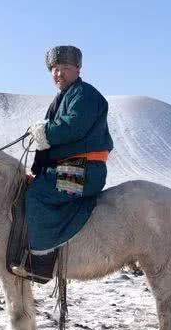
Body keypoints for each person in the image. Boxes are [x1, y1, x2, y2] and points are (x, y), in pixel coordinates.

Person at [21, 45, 113, 276]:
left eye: (65, 68)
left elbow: (73, 127)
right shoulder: (63, 98)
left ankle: (41, 260)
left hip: (85, 170)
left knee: (38, 193)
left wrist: (44, 132)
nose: (58, 73)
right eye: (54, 69)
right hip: (71, 167)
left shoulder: (86, 95)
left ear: (78, 69)